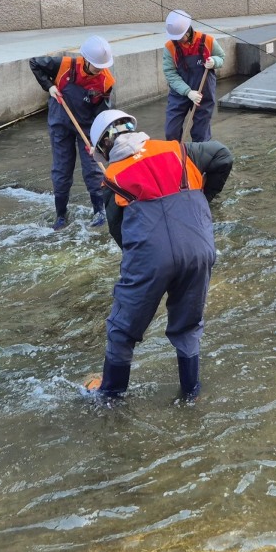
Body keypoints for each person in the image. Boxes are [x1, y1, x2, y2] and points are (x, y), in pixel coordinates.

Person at [84, 108, 233, 402]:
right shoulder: (178, 149)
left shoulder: (112, 179)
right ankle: (191, 395)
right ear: (132, 128)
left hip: (151, 258)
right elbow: (222, 155)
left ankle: (109, 397)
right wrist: (204, 199)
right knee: (189, 325)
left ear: (103, 148)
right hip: (199, 246)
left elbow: (121, 235)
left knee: (122, 329)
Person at [28, 36, 115, 230]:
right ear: (86, 60)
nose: (100, 70)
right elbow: (34, 63)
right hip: (60, 122)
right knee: (61, 170)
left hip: (87, 127)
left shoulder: (106, 81)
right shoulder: (64, 64)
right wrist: (49, 86)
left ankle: (99, 211)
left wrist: (99, 144)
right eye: (96, 66)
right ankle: (61, 214)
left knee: (93, 169)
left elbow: (104, 115)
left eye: (103, 66)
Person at [161, 10, 224, 143]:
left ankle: (198, 159)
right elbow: (170, 74)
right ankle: (176, 157)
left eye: (179, 37)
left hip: (203, 92)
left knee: (201, 134)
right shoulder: (170, 47)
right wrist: (188, 92)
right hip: (180, 93)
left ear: (188, 32)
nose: (177, 40)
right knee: (171, 131)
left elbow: (221, 58)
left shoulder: (208, 41)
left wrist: (214, 61)